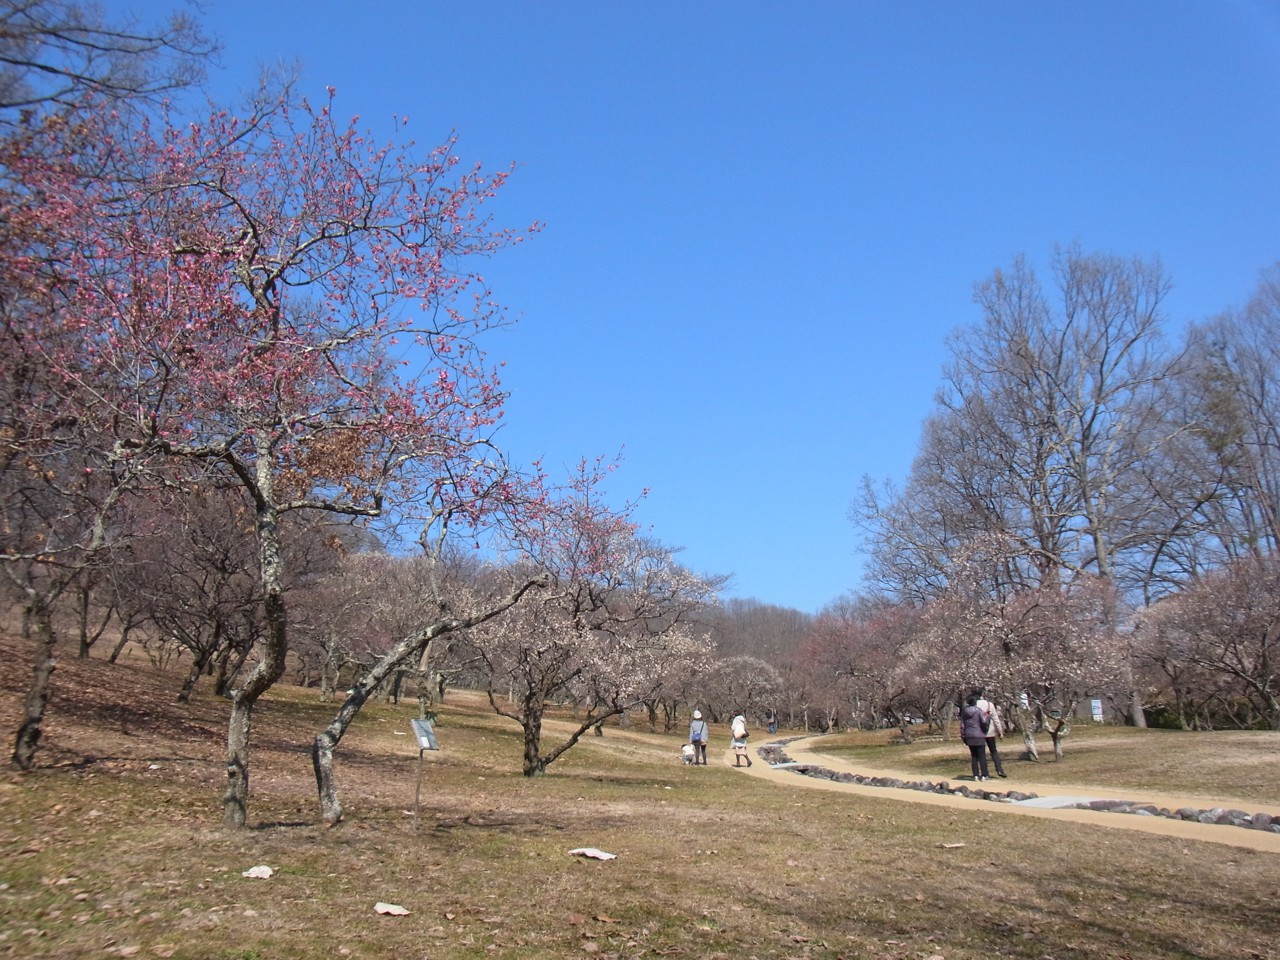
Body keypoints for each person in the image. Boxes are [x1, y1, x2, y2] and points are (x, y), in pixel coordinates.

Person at [974, 690, 1007, 778]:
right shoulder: (989, 705)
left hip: (979, 732)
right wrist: (1000, 732)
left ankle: (985, 773)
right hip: (990, 731)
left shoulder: (974, 705)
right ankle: (1000, 769)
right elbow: (996, 719)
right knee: (993, 751)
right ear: (982, 694)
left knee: (981, 753)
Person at [959, 694, 990, 781]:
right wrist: (987, 718)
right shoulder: (978, 711)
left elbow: (962, 725)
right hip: (979, 735)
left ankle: (975, 775)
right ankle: (984, 775)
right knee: (982, 756)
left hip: (969, 735)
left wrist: (963, 735)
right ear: (975, 703)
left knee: (974, 756)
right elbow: (983, 721)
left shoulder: (964, 712)